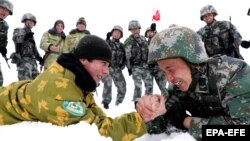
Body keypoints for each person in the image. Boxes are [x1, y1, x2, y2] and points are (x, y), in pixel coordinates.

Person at [0, 35, 155, 141]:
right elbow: (102, 134)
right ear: (83, 60)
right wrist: (143, 118)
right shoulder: (61, 94)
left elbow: (99, 116)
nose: (107, 71)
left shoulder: (74, 77)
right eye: (103, 63)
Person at [136, 26, 250, 141]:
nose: (169, 79)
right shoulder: (178, 87)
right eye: (164, 71)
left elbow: (241, 132)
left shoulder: (234, 74)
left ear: (193, 62)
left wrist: (187, 122)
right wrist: (152, 113)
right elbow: (164, 122)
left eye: (170, 69)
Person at [124, 20, 153, 101]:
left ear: (139, 29)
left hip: (145, 65)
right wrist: (129, 68)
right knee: (138, 85)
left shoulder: (144, 39)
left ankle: (148, 100)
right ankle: (137, 102)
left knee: (149, 84)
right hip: (135, 67)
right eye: (133, 30)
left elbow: (149, 50)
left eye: (136, 29)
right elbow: (127, 56)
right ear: (130, 30)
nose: (135, 31)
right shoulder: (128, 41)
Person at [11, 13, 43, 81]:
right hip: (24, 60)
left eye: (32, 22)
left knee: (37, 83)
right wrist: (25, 37)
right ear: (24, 21)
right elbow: (16, 39)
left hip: (33, 62)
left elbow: (34, 49)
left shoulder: (31, 34)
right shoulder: (19, 30)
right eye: (29, 21)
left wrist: (40, 58)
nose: (30, 23)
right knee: (25, 83)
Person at [101, 25, 126, 109]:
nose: (117, 34)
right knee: (108, 82)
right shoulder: (107, 42)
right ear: (112, 33)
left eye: (119, 33)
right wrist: (107, 39)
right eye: (115, 32)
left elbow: (126, 57)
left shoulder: (122, 46)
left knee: (123, 86)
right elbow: (102, 48)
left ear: (121, 35)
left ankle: (119, 102)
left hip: (117, 69)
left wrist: (122, 66)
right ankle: (106, 101)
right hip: (106, 68)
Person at [145, 23, 168, 97]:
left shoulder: (159, 41)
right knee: (148, 89)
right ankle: (149, 106)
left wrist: (155, 30)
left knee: (163, 89)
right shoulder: (144, 43)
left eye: (151, 31)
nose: (150, 33)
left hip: (159, 68)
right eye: (148, 32)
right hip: (148, 68)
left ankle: (166, 104)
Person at [0, 0, 13, 86]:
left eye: (7, 11)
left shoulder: (5, 25)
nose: (4, 12)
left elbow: (4, 39)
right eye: (2, 8)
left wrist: (3, 48)